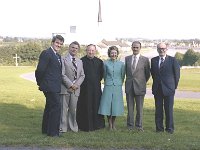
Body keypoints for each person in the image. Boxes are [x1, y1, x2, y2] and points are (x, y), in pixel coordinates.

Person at [35, 35, 64, 137]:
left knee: (49, 107)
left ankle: (46, 129)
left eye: (60, 44)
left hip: (55, 86)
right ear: (52, 42)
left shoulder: (58, 55)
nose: (58, 45)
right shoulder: (46, 53)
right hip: (49, 86)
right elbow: (40, 70)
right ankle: (53, 133)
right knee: (56, 107)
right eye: (57, 43)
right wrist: (40, 83)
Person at [151, 42, 180, 134]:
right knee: (158, 110)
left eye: (163, 48)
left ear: (166, 49)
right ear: (157, 49)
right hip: (157, 89)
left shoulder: (172, 60)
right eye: (159, 48)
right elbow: (153, 74)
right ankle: (159, 129)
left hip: (169, 89)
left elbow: (177, 75)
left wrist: (173, 87)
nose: (161, 50)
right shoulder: (153, 60)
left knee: (169, 110)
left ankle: (169, 129)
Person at [76, 44, 105, 131]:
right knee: (85, 105)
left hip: (96, 88)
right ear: (86, 51)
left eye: (92, 50)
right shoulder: (81, 61)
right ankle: (83, 125)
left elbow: (101, 75)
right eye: (89, 50)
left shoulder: (99, 62)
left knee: (96, 105)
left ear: (95, 51)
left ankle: (97, 125)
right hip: (84, 89)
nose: (91, 52)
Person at [125, 41, 150, 131]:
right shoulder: (127, 58)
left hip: (140, 87)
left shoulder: (145, 60)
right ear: (131, 47)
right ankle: (130, 126)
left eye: (137, 47)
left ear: (140, 48)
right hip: (129, 87)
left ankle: (139, 126)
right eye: (134, 47)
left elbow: (147, 74)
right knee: (130, 108)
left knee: (139, 108)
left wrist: (141, 82)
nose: (135, 49)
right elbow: (126, 72)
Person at [59, 41, 85, 132]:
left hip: (75, 89)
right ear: (69, 48)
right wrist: (71, 85)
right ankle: (63, 128)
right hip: (65, 88)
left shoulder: (80, 61)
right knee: (63, 110)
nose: (74, 49)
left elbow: (82, 75)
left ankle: (73, 127)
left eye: (76, 48)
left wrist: (76, 85)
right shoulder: (63, 59)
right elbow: (62, 74)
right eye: (73, 47)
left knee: (73, 110)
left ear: (78, 50)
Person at [98, 46, 125, 130]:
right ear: (109, 54)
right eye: (112, 53)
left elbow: (122, 75)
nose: (113, 54)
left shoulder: (121, 64)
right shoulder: (105, 63)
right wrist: (107, 82)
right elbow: (104, 75)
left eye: (115, 53)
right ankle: (109, 124)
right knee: (107, 105)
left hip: (117, 86)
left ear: (117, 54)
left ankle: (114, 123)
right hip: (108, 86)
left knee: (115, 106)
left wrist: (119, 83)